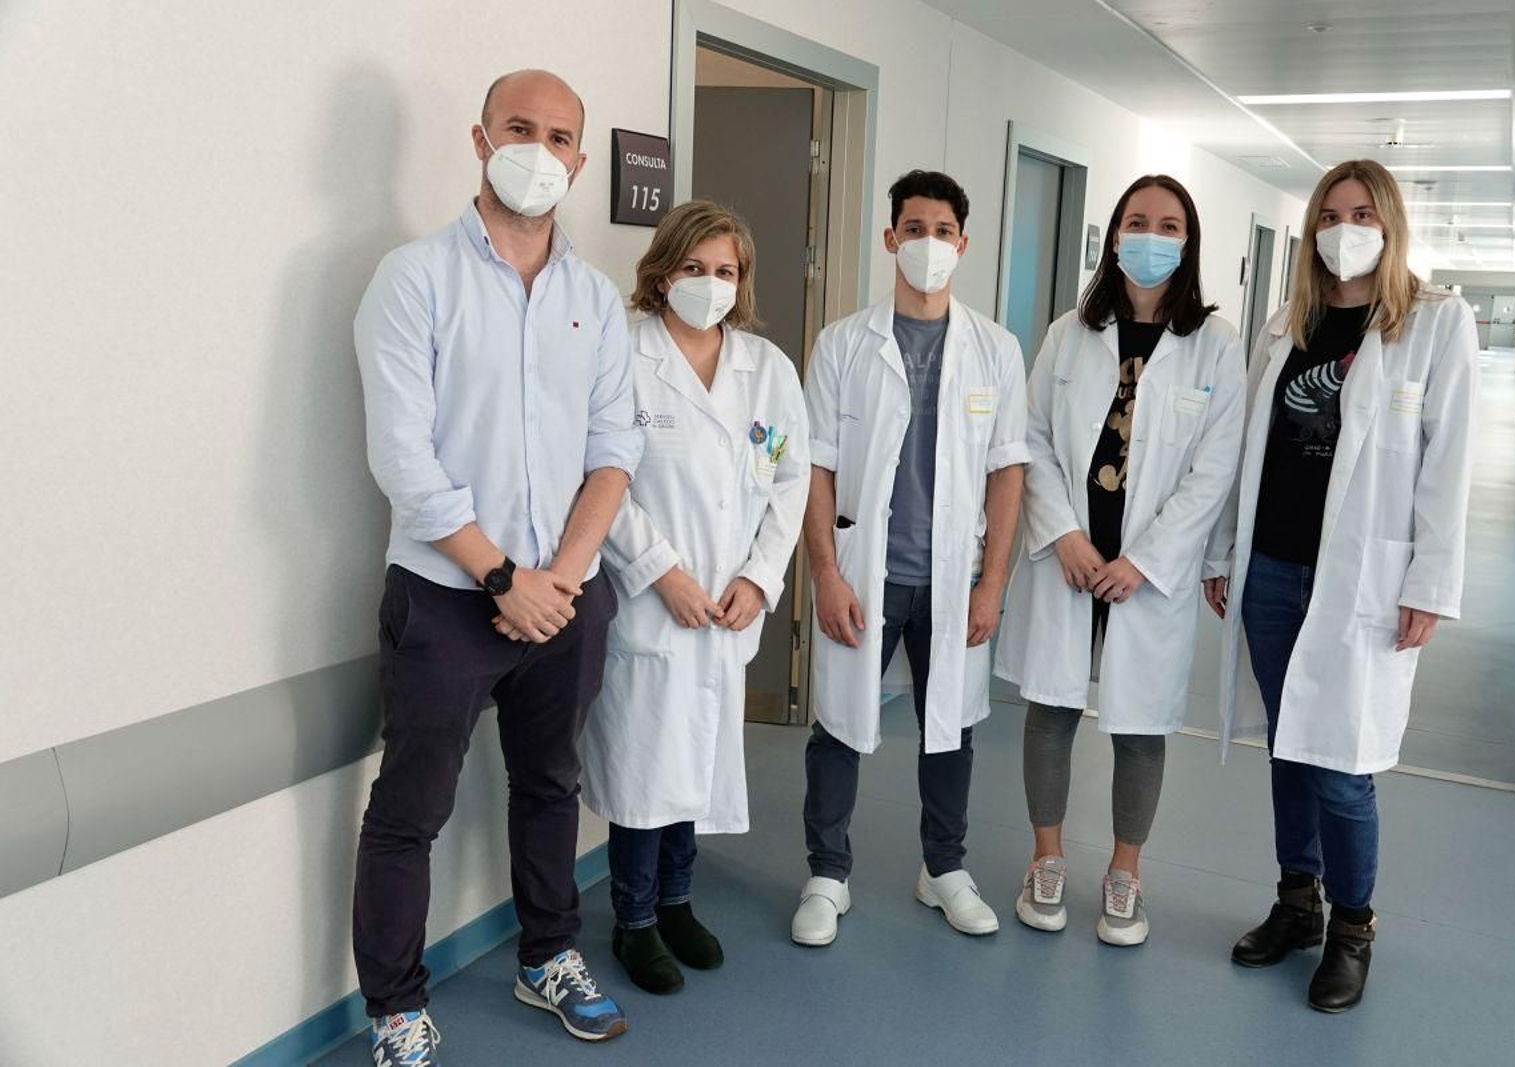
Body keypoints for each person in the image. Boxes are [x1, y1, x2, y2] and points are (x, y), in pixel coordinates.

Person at [351, 70, 639, 1063]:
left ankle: (546, 954)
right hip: (444, 596)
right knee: (409, 810)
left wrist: (558, 576)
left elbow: (615, 451)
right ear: (480, 139)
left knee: (551, 784)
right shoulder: (413, 277)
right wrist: (499, 577)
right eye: (520, 127)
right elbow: (403, 458)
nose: (539, 150)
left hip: (563, 594)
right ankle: (394, 1005)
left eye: (560, 135)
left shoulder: (594, 300)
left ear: (579, 160)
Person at [1205, 159, 1475, 1012]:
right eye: (1329, 212)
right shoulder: (1289, 324)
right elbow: (1246, 450)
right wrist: (1224, 552)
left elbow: (1448, 465)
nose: (1343, 226)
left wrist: (1430, 580)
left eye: (1361, 212)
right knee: (1291, 746)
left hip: (1360, 579)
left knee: (1344, 765)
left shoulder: (1434, 323)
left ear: (1390, 223)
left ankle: (1354, 928)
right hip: (1274, 568)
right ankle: (1298, 904)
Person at [995, 174, 1246, 945]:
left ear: (1188, 241)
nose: (1151, 236)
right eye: (1138, 221)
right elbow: (1028, 436)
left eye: (1169, 225)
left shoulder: (1215, 342)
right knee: (1052, 709)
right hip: (1069, 556)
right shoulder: (1070, 332)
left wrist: (1147, 559)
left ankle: (1126, 872)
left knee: (1140, 725)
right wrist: (1063, 532)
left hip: (1145, 572)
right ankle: (1047, 859)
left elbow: (1216, 468)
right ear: (1112, 236)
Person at [790, 170, 1028, 947]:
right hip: (867, 570)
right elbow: (815, 468)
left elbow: (1007, 472)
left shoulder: (996, 349)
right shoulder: (841, 343)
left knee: (951, 726)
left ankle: (944, 868)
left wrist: (992, 582)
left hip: (954, 576)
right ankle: (828, 873)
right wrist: (825, 572)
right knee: (837, 722)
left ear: (965, 243)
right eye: (914, 228)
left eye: (944, 230)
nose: (929, 244)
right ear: (890, 237)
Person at [579, 200, 810, 994]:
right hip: (650, 603)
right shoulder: (625, 354)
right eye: (694, 268)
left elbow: (789, 479)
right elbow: (601, 476)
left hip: (724, 609)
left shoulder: (766, 369)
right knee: (645, 769)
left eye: (725, 271)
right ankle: (633, 921)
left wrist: (760, 577)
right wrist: (660, 571)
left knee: (699, 761)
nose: (710, 284)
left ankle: (677, 902)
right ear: (662, 270)